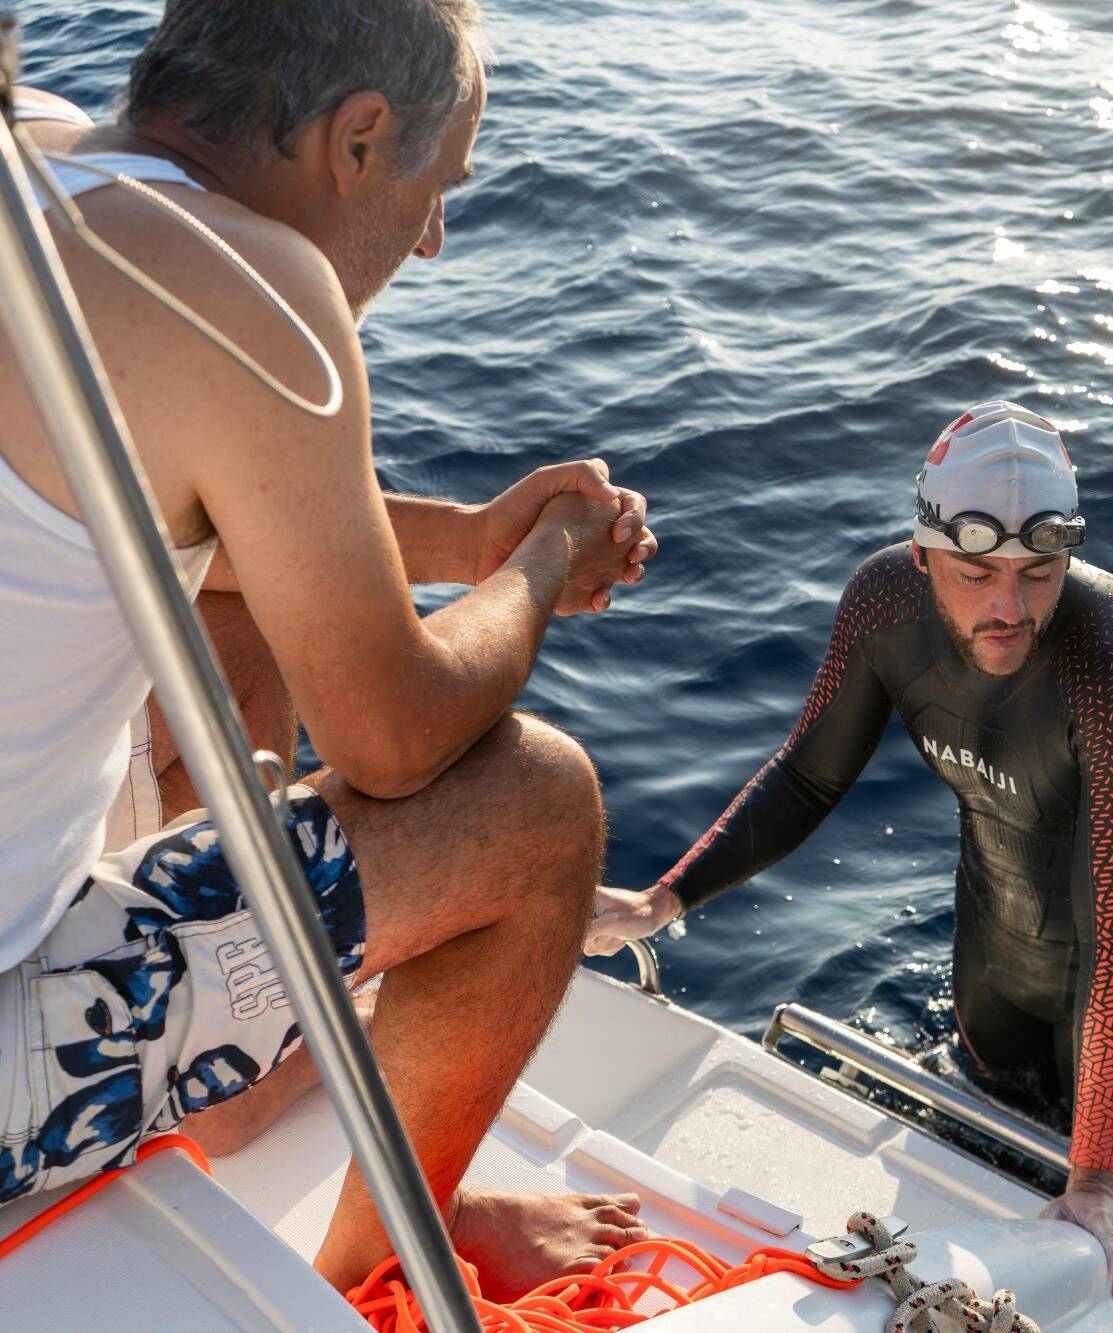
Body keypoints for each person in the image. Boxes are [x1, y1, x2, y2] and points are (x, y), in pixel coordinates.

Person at [0, 0, 660, 1302]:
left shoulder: (39, 156)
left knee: (237, 598)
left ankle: (229, 1078)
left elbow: (166, 517)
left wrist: (466, 540)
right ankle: (369, 1275)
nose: (433, 237)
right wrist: (542, 566)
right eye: (436, 184)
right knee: (537, 807)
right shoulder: (246, 285)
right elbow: (398, 738)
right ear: (358, 137)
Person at [588, 401, 1113, 1308]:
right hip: (991, 948)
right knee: (968, 1164)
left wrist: (1101, 1183)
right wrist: (660, 902)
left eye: (1039, 573)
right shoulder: (883, 602)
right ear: (922, 554)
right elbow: (805, 777)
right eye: (976, 572)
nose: (1010, 606)